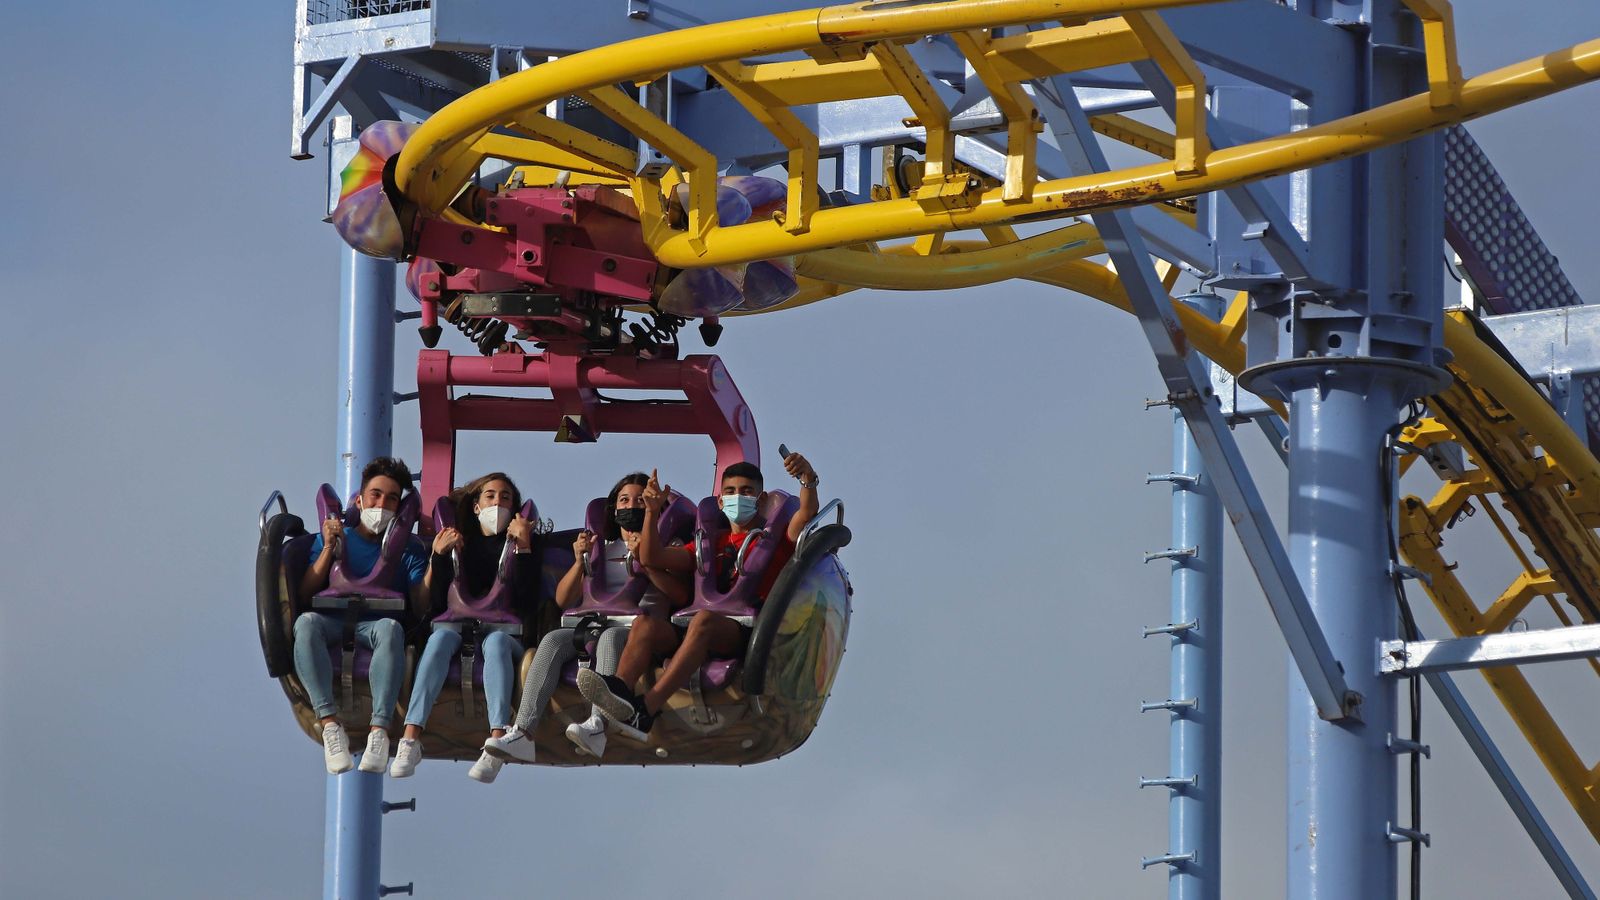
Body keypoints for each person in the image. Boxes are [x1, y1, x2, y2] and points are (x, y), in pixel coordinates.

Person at [577, 451, 819, 742]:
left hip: (744, 631)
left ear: (762, 498)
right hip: (693, 628)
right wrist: (652, 512)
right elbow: (652, 556)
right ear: (720, 501)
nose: (737, 497)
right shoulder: (708, 543)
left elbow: (805, 515)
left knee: (703, 621)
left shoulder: (775, 538)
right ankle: (619, 691)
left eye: (746, 492)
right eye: (730, 492)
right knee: (646, 624)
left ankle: (647, 710)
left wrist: (807, 480)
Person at [482, 471, 690, 764]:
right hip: (593, 621)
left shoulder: (668, 546)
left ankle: (597, 725)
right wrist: (580, 560)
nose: (631, 507)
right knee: (554, 639)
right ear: (613, 509)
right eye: (623, 500)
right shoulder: (602, 547)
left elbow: (681, 596)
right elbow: (564, 600)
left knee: (610, 638)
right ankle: (523, 732)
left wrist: (648, 563)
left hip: (639, 629)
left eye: (639, 501)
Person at [388, 473, 540, 783]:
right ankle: (411, 737)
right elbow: (437, 603)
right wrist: (440, 555)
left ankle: (498, 737)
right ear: (475, 506)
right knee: (439, 639)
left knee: (496, 644)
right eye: (490, 496)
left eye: (506, 498)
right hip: (456, 625)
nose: (498, 502)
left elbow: (527, 601)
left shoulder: (521, 547)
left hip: (504, 632)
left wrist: (524, 549)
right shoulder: (461, 544)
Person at [295, 456, 430, 776]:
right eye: (376, 495)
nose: (382, 503)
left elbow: (421, 603)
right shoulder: (335, 535)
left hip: (376, 623)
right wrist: (329, 548)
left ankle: (379, 731)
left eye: (392, 499)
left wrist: (434, 560)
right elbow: (305, 592)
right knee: (306, 624)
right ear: (360, 499)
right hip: (331, 620)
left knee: (389, 629)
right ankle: (330, 725)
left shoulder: (408, 548)